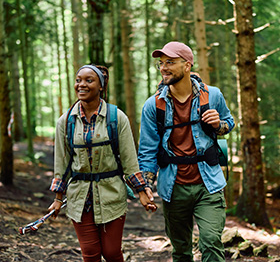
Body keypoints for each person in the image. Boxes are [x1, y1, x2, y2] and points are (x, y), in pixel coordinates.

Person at [48, 64, 156, 262]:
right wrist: (57, 199)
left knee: (112, 252)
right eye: (78, 80)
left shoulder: (117, 118)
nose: (82, 84)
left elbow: (129, 160)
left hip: (111, 195)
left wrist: (142, 192)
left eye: (89, 80)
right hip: (79, 198)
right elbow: (61, 164)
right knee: (89, 253)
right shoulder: (65, 122)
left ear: (101, 86)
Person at [138, 41, 235, 262]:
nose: (163, 68)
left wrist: (218, 124)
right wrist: (144, 186)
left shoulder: (213, 95)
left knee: (211, 242)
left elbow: (229, 123)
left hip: (208, 185)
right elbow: (147, 151)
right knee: (181, 251)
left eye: (170, 62)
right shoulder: (153, 106)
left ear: (187, 65)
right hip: (174, 188)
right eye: (161, 63)